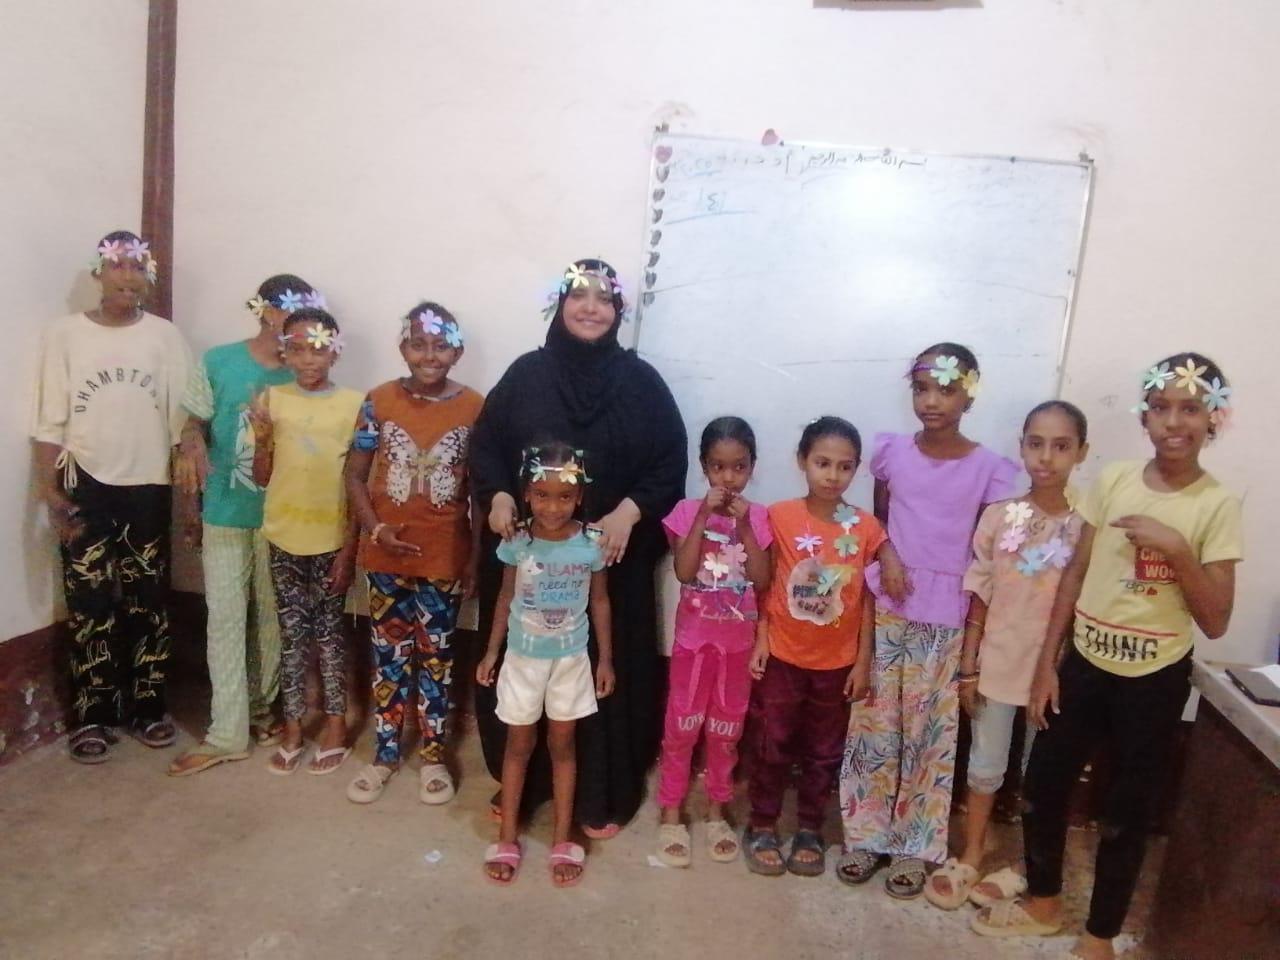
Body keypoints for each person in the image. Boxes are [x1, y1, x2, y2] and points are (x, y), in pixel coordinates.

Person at [974, 354, 1241, 960]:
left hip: (1154, 678)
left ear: (1212, 419)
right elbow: (1075, 573)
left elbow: (1217, 619)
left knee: (1126, 812)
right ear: (1144, 416)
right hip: (1086, 665)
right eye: (1162, 407)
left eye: (1191, 408)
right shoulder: (1114, 479)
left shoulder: (1216, 504)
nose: (1175, 421)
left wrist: (1177, 550)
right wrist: (1048, 663)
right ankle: (1043, 903)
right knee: (1044, 784)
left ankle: (1099, 936)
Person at [470, 258, 686, 835]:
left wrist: (628, 512)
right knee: (527, 673)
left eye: (604, 299)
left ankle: (600, 791)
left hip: (606, 566)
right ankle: (525, 783)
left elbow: (669, 462)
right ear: (560, 306)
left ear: (618, 312)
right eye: (579, 296)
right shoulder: (526, 375)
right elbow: (487, 447)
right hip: (532, 565)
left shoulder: (641, 382)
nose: (591, 308)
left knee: (599, 674)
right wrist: (495, 497)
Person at [840, 343, 1018, 897]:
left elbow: (984, 552)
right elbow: (878, 527)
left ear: (970, 392)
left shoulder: (990, 470)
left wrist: (972, 642)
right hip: (890, 605)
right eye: (922, 388)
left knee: (929, 736)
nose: (932, 400)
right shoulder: (892, 454)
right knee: (873, 727)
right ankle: (865, 834)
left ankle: (915, 844)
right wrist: (888, 555)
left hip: (946, 618)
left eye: (945, 388)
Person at [31, 230, 192, 763]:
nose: (127, 276)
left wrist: (188, 480)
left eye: (136, 267)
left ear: (148, 277)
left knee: (148, 602)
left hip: (148, 484)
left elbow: (183, 414)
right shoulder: (65, 335)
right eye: (117, 265)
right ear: (99, 273)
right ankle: (92, 715)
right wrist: (47, 490)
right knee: (89, 605)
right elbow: (50, 416)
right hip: (85, 484)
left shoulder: (165, 337)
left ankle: (148, 708)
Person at [925, 401, 1088, 909]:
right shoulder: (1000, 517)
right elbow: (981, 594)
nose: (1046, 457)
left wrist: (1063, 668)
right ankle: (974, 851)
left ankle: (1027, 862)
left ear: (1082, 453)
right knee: (986, 765)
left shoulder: (1087, 527)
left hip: (1054, 672)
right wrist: (969, 664)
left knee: (1043, 773)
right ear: (1021, 447)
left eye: (1061, 446)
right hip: (997, 661)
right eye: (1035, 443)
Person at [168, 274, 320, 776]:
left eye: (301, 316)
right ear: (262, 309)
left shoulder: (302, 375)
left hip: (280, 519)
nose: (289, 324)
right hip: (225, 512)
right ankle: (225, 733)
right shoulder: (219, 361)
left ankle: (260, 709)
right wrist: (191, 445)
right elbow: (192, 424)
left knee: (273, 622)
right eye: (282, 312)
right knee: (225, 621)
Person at [343, 302, 484, 804]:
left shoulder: (475, 407)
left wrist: (472, 560)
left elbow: (481, 493)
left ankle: (432, 756)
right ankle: (384, 753)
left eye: (441, 345)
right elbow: (354, 476)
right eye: (419, 345)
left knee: (438, 659)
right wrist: (375, 530)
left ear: (458, 351)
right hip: (385, 560)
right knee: (389, 657)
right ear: (403, 348)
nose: (430, 355)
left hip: (444, 557)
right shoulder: (378, 401)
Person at [743, 417, 888, 877]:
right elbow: (764, 585)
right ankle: (761, 824)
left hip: (837, 663)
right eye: (822, 463)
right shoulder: (779, 515)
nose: (832, 474)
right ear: (802, 461)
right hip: (785, 656)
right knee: (773, 743)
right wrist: (762, 637)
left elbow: (867, 600)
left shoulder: (865, 527)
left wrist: (862, 661)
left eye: (844, 467)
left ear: (857, 471)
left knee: (824, 751)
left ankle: (810, 829)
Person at [476, 443, 614, 887]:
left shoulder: (591, 544)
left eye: (564, 497)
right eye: (541, 495)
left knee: (563, 747)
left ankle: (561, 837)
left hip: (571, 662)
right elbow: (503, 597)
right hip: (522, 660)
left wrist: (605, 660)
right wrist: (491, 652)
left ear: (580, 498)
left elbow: (600, 601)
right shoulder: (517, 542)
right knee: (517, 746)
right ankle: (506, 835)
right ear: (525, 495)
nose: (552, 506)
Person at [249, 308, 362, 776]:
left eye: (319, 348)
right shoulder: (271, 399)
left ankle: (336, 724)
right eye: (298, 348)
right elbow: (262, 476)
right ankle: (294, 725)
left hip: (331, 538)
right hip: (284, 536)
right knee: (293, 637)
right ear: (285, 352)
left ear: (335, 350)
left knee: (331, 636)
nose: (309, 359)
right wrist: (262, 438)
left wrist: (351, 550)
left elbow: (359, 483)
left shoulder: (356, 403)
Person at [654, 417, 771, 868]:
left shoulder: (759, 517)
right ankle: (670, 813)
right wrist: (704, 515)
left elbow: (761, 578)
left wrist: (743, 528)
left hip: (737, 647)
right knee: (681, 727)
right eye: (719, 468)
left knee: (726, 731)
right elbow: (684, 572)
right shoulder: (685, 513)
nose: (728, 478)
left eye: (738, 468)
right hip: (693, 645)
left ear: (751, 468)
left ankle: (718, 810)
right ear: (704, 467)